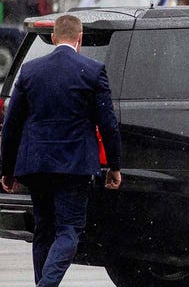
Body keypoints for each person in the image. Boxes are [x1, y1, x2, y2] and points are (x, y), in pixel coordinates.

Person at [0, 15, 122, 287]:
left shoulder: (30, 71)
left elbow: (10, 125)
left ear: (53, 38)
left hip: (36, 164)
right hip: (74, 166)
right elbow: (108, 124)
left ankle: (42, 282)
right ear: (80, 39)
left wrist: (7, 170)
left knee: (43, 229)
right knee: (68, 231)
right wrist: (114, 166)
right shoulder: (92, 70)